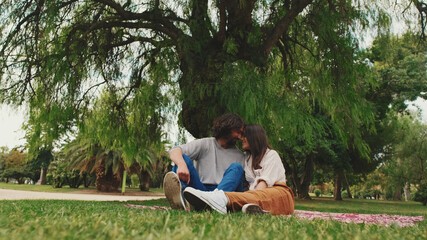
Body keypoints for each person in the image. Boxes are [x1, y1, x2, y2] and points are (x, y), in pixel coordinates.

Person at [183, 124, 294, 215]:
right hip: (250, 195)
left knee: (260, 197)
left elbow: (263, 186)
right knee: (236, 167)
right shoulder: (246, 158)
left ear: (254, 137)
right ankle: (217, 198)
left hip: (272, 194)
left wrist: (245, 197)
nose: (241, 138)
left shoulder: (271, 155)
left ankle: (220, 199)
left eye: (245, 135)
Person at [164, 113, 246, 210]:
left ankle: (214, 202)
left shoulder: (241, 156)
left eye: (242, 134)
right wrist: (181, 165)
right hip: (200, 191)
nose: (240, 137)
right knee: (183, 158)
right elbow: (175, 151)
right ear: (227, 127)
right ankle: (180, 198)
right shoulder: (205, 143)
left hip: (224, 194)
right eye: (238, 132)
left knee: (237, 167)